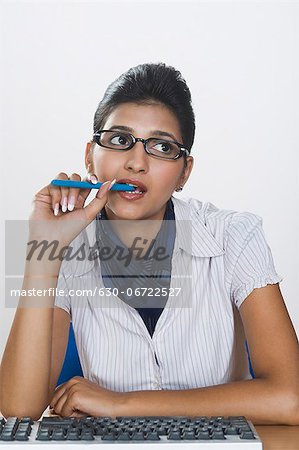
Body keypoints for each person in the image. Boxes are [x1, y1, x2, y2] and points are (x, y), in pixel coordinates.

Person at [0, 63, 298, 425]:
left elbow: (290, 397)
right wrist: (43, 252)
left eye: (161, 146)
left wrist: (123, 404)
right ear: (89, 157)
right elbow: (18, 410)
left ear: (184, 171)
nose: (136, 163)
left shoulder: (234, 235)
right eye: (120, 140)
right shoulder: (68, 249)